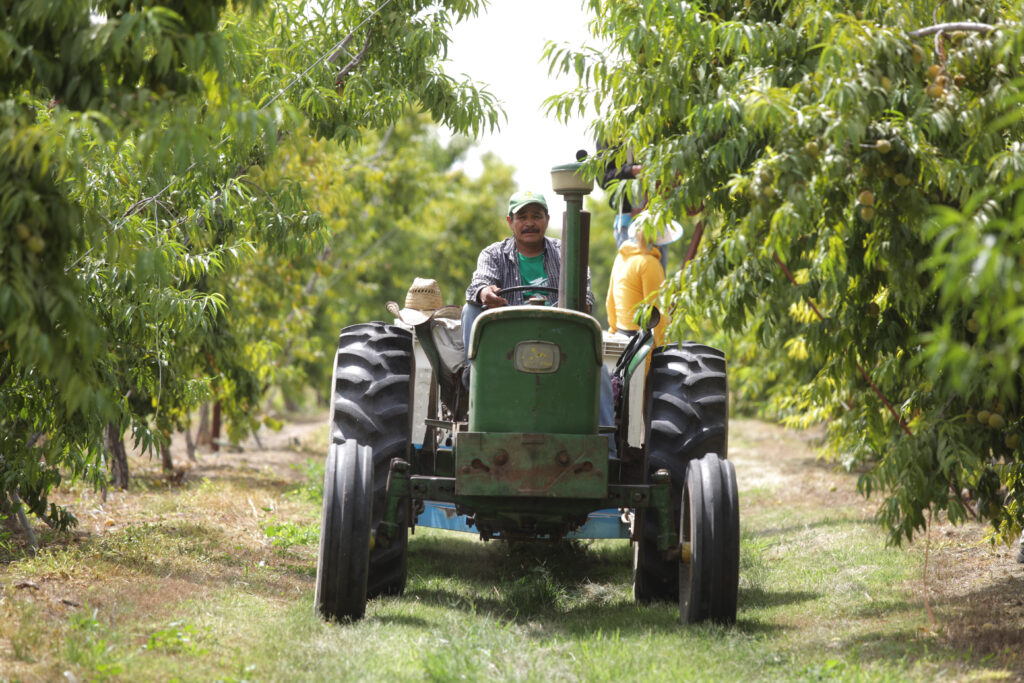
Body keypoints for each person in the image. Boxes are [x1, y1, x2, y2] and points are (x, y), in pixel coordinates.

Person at [462, 190, 614, 450]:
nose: (529, 223)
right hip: (506, 342)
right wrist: (485, 292)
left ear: (547, 219)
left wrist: (582, 300)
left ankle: (608, 451)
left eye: (536, 216)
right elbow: (478, 284)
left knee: (600, 375)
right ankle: (473, 374)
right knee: (470, 309)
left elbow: (585, 292)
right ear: (510, 222)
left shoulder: (566, 251)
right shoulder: (494, 254)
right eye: (522, 217)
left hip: (559, 337)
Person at [605, 216, 683, 348]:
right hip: (642, 345)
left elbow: (610, 302)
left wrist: (613, 330)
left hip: (621, 337)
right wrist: (665, 348)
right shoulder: (649, 263)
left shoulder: (621, 258)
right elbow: (658, 311)